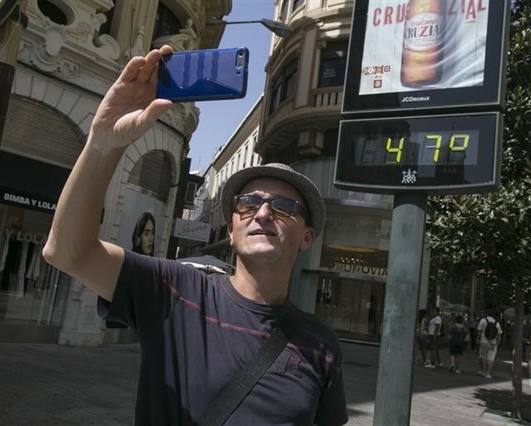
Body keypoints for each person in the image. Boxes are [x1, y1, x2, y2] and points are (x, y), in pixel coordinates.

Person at [42, 46, 348, 425]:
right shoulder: (176, 291)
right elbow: (66, 251)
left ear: (307, 237)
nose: (264, 212)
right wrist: (103, 143)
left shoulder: (322, 344)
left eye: (284, 207)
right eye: (249, 203)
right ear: (232, 231)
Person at [477, 310, 503, 378]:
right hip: (493, 343)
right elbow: (499, 334)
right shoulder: (496, 323)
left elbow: (479, 331)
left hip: (483, 341)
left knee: (482, 357)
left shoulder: (483, 320)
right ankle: (488, 373)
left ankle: (482, 370)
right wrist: (498, 343)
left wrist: (478, 339)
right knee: (490, 359)